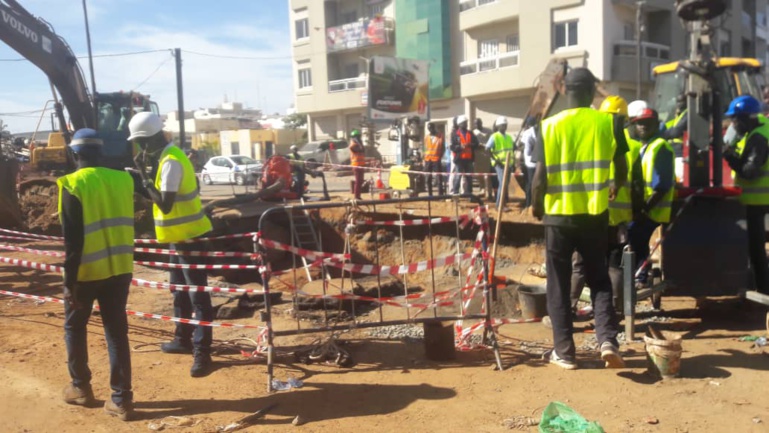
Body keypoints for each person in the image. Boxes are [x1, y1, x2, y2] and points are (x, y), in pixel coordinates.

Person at [530, 67, 628, 370]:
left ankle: (565, 352)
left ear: (563, 89)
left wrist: (536, 206)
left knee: (558, 284)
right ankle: (608, 340)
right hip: (594, 214)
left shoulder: (548, 126)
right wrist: (614, 186)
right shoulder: (608, 122)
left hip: (558, 217)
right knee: (598, 279)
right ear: (591, 91)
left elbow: (540, 178)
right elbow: (622, 168)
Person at [129, 111, 215, 378]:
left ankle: (203, 352)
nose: (141, 148)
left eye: (142, 143)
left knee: (197, 295)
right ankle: (183, 339)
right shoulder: (168, 157)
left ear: (152, 139)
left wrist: (142, 180)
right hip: (177, 238)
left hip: (189, 237)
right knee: (178, 291)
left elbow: (164, 204)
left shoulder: (171, 161)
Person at [58, 128, 135, 420]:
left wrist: (69, 283)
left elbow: (72, 242)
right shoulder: (123, 179)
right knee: (116, 333)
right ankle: (122, 400)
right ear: (100, 152)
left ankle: (80, 388)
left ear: (74, 153)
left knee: (74, 327)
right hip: (120, 268)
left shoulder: (73, 184)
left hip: (87, 273)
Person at [570, 96, 643, 313]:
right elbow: (637, 185)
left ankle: (569, 309)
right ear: (626, 121)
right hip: (617, 220)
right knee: (615, 266)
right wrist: (637, 213)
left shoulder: (590, 141)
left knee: (580, 264)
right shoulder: (634, 147)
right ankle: (614, 311)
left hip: (591, 214)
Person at [723, 95, 769, 294]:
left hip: (758, 201)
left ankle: (763, 292)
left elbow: (749, 171)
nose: (733, 124)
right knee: (754, 249)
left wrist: (728, 154)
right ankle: (758, 287)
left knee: (756, 250)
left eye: (735, 120)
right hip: (757, 200)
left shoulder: (758, 138)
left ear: (746, 118)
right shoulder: (760, 128)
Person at [627, 108, 675, 288]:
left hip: (654, 209)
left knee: (634, 237)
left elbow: (661, 186)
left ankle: (640, 278)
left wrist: (643, 209)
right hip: (646, 208)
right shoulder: (645, 147)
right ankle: (638, 276)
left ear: (657, 124)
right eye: (640, 123)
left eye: (648, 123)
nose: (643, 126)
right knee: (635, 240)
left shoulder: (660, 147)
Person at [485, 116, 514, 207]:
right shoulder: (494, 136)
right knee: (502, 184)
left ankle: (503, 202)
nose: (504, 126)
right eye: (502, 125)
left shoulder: (509, 137)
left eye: (505, 125)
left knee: (505, 184)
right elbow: (487, 149)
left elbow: (512, 149)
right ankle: (499, 204)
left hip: (508, 164)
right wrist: (495, 160)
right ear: (498, 126)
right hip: (500, 165)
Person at [450, 115, 479, 196]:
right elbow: (452, 147)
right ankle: (455, 193)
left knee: (469, 178)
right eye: (464, 123)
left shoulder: (470, 133)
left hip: (469, 159)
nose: (466, 124)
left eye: (466, 122)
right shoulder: (455, 134)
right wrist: (460, 147)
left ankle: (469, 194)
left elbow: (476, 144)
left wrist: (470, 144)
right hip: (459, 159)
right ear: (459, 124)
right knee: (457, 177)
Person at [519, 116, 539, 210]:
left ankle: (528, 204)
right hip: (538, 162)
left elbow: (523, 147)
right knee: (536, 183)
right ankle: (534, 203)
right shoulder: (539, 130)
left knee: (529, 183)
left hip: (529, 163)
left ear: (527, 124)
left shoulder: (527, 133)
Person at [473, 118, 494, 200]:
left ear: (481, 123)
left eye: (478, 123)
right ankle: (482, 189)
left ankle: (489, 192)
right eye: (475, 124)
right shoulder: (473, 132)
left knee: (487, 175)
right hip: (477, 155)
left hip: (486, 154)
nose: (477, 125)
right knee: (479, 174)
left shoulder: (488, 131)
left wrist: (484, 145)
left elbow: (492, 141)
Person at [423, 123, 445, 196]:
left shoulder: (440, 136)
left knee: (439, 178)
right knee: (428, 178)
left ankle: (440, 195)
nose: (430, 129)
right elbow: (424, 148)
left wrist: (440, 156)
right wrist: (424, 157)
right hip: (428, 160)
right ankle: (430, 195)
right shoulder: (426, 137)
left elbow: (443, 148)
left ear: (434, 127)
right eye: (429, 128)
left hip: (436, 159)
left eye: (431, 128)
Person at [349, 129, 366, 200]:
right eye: (357, 136)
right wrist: (360, 145)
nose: (359, 138)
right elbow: (358, 149)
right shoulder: (353, 144)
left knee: (360, 181)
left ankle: (358, 196)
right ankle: (356, 196)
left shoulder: (359, 144)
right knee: (358, 181)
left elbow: (363, 150)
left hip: (361, 165)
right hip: (356, 165)